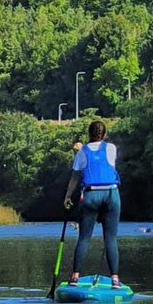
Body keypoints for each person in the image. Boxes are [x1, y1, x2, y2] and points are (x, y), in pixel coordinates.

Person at [63, 120, 123, 288]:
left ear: (89, 134)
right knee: (110, 238)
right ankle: (115, 280)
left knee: (84, 238)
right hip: (111, 194)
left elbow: (75, 177)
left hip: (91, 195)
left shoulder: (82, 153)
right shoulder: (111, 148)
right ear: (104, 134)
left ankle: (75, 277)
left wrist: (67, 197)